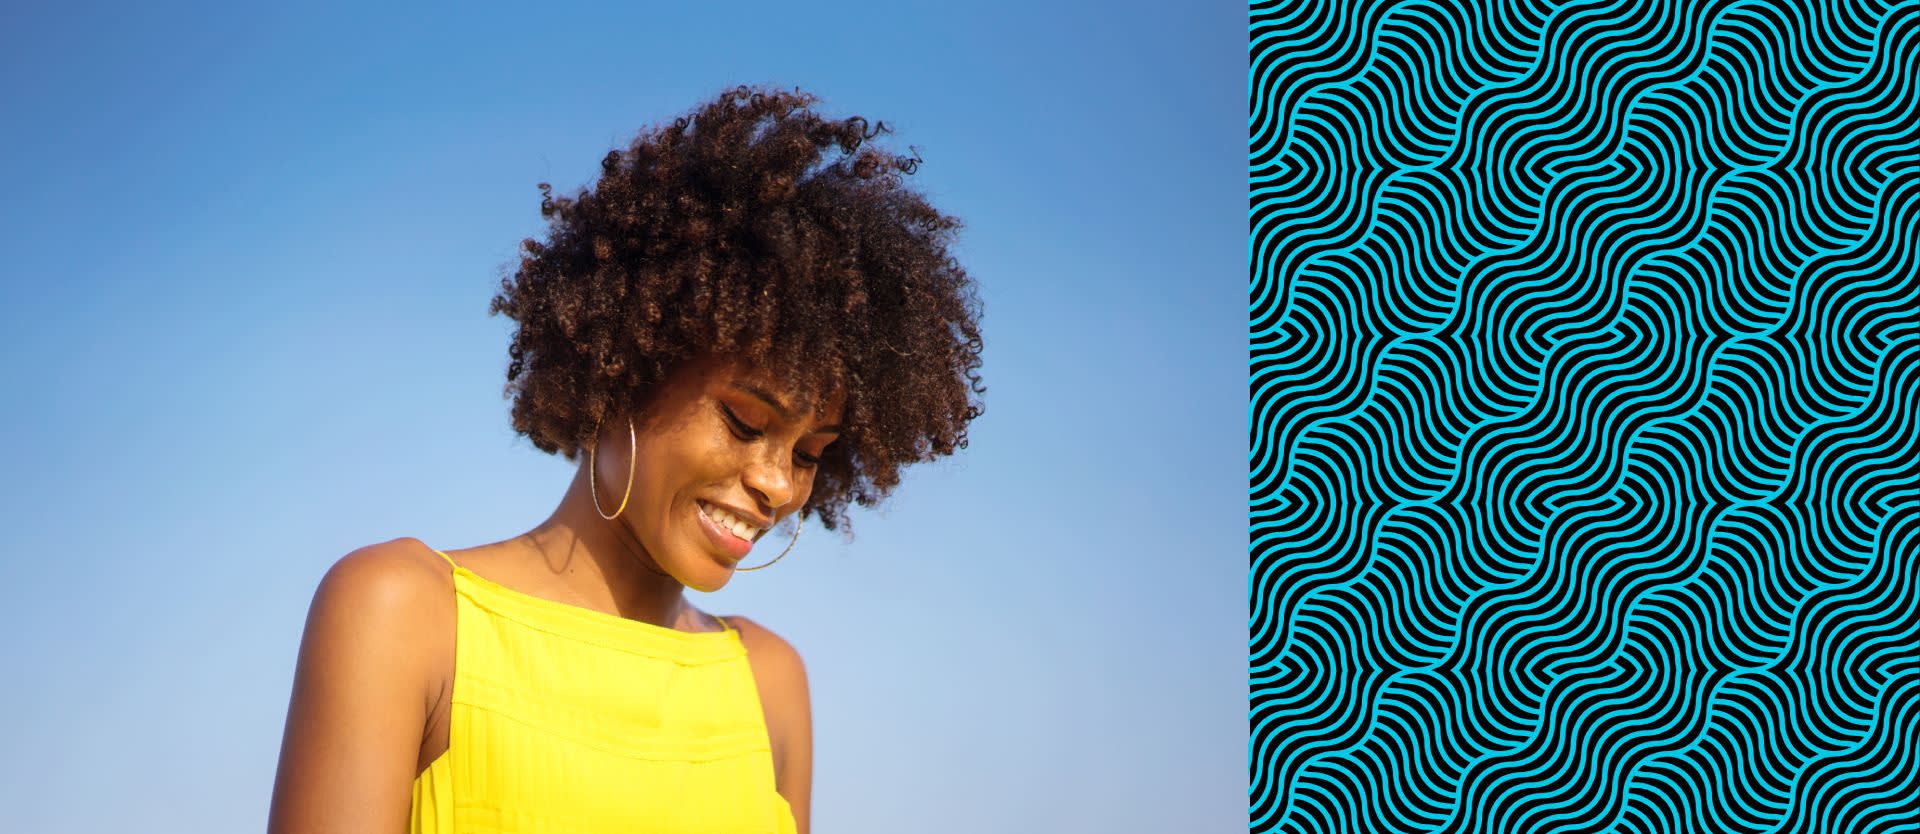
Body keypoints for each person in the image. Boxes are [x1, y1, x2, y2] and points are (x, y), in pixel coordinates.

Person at [266, 83, 986, 834]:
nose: (776, 483)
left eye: (808, 453)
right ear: (621, 373)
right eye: (744, 423)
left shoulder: (768, 685)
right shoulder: (403, 614)